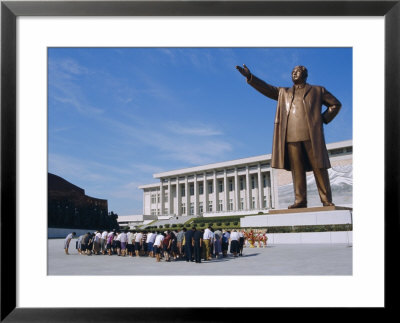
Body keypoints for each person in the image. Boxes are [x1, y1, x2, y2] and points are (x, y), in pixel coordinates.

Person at [236, 64, 341, 208]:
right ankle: (300, 200)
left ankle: (326, 200)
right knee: (297, 169)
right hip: (290, 135)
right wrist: (250, 77)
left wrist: (322, 119)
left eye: (297, 71)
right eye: (292, 72)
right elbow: (267, 88)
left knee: (319, 167)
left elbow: (335, 104)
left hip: (311, 134)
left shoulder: (317, 90)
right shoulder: (283, 92)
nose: (294, 74)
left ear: (305, 74)